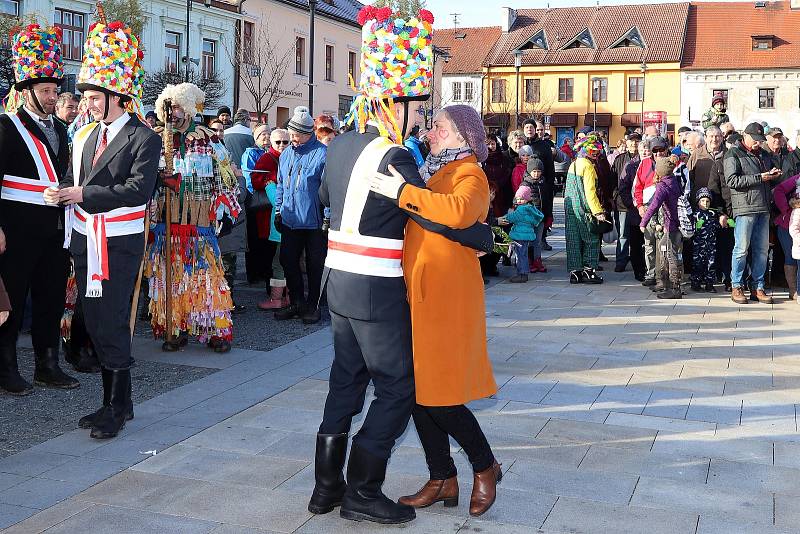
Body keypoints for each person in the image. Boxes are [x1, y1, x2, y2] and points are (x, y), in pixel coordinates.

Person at [368, 104, 501, 518]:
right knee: (417, 391)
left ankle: (485, 465)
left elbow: (459, 212)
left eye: (440, 128)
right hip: (420, 291)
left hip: (447, 296)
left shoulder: (470, 173)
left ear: (462, 135)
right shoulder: (433, 169)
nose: (431, 133)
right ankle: (441, 477)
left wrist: (404, 194)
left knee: (438, 394)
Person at [56, 20, 160, 438]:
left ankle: (114, 407)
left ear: (117, 96)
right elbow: (72, 177)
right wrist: (61, 191)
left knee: (112, 320)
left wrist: (83, 194)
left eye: (96, 98)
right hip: (84, 239)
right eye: (87, 98)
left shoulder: (143, 138)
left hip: (118, 242)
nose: (90, 105)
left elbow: (138, 190)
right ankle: (120, 401)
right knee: (94, 319)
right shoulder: (83, 135)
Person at [0, 24, 78, 395]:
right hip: (15, 230)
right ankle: (6, 367)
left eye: (55, 90)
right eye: (45, 91)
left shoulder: (62, 131)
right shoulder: (6, 126)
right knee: (12, 301)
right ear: (25, 91)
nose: (52, 97)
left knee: (50, 297)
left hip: (54, 229)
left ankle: (48, 364)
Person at [147, 83, 239, 352]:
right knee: (169, 279)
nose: (173, 114)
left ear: (188, 109)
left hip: (200, 223)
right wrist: (157, 181)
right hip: (165, 222)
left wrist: (226, 211)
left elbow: (225, 177)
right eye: (169, 108)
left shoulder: (208, 139)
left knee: (207, 278)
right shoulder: (155, 139)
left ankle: (215, 329)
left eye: (177, 107)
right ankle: (175, 327)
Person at [273, 106, 327, 325]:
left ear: (308, 133)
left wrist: (328, 217)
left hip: (314, 220)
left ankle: (313, 305)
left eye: (295, 135)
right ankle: (297, 302)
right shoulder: (286, 154)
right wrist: (278, 210)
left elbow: (327, 188)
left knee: (315, 264)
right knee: (288, 260)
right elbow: (281, 185)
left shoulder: (322, 154)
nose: (291, 139)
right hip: (290, 218)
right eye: (291, 134)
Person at [724, 122, 780, 304]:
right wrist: (760, 177)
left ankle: (758, 286)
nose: (758, 143)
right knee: (741, 249)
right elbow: (732, 180)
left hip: (763, 207)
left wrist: (772, 175)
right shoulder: (733, 153)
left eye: (760, 140)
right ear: (745, 136)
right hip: (745, 208)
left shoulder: (763, 154)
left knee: (762, 250)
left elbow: (766, 178)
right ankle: (737, 285)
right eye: (755, 140)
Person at [254, 128, 290, 310]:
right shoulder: (267, 158)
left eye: (286, 142)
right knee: (278, 260)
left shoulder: (292, 156)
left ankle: (280, 298)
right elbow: (255, 179)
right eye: (279, 142)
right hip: (271, 217)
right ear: (272, 143)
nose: (282, 145)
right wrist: (270, 183)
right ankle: (279, 296)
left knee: (282, 261)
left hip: (284, 220)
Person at [564, 135, 606, 284]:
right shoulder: (588, 166)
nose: (595, 152)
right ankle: (589, 272)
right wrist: (598, 211)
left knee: (573, 240)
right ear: (585, 150)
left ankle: (575, 273)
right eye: (592, 149)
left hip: (571, 209)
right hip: (584, 209)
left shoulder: (573, 164)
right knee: (591, 239)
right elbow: (590, 192)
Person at [640, 156, 683, 299]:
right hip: (676, 224)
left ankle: (675, 288)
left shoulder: (663, 186)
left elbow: (653, 206)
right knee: (664, 248)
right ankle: (664, 282)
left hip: (670, 225)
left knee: (671, 255)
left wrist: (643, 222)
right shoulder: (673, 180)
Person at [634, 136, 670, 287]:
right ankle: (651, 273)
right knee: (649, 242)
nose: (658, 153)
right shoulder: (644, 163)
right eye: (655, 150)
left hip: (667, 208)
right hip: (648, 208)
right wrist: (640, 206)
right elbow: (637, 187)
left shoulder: (675, 163)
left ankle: (664, 274)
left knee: (665, 243)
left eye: (661, 150)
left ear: (666, 149)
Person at [241, 123, 272, 287]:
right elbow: (249, 177)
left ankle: (264, 270)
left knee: (266, 238)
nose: (266, 137)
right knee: (254, 237)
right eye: (262, 135)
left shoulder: (273, 152)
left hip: (269, 202)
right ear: (256, 138)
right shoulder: (250, 154)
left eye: (268, 134)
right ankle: (254, 273)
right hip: (256, 201)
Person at [501, 185, 543, 283]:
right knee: (523, 254)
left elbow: (513, 217)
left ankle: (522, 274)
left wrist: (505, 216)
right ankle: (523, 273)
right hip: (526, 235)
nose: (519, 201)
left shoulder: (521, 209)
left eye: (522, 199)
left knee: (520, 255)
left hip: (520, 235)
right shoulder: (530, 208)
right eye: (518, 199)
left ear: (527, 199)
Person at [611, 133, 641, 272]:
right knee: (623, 234)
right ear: (626, 143)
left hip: (640, 205)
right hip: (622, 204)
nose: (634, 144)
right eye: (631, 141)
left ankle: (639, 261)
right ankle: (621, 261)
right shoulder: (620, 159)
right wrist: (615, 197)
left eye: (637, 141)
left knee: (638, 234)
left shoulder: (644, 159)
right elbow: (613, 180)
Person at [617, 142, 645, 280]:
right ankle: (638, 271)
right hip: (634, 211)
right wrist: (632, 204)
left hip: (651, 211)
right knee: (635, 243)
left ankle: (650, 270)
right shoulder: (631, 165)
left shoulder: (655, 164)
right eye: (642, 149)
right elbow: (623, 187)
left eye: (647, 149)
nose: (645, 152)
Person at [691, 188, 723, 292]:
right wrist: (697, 226)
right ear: (698, 202)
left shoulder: (712, 214)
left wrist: (726, 223)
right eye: (702, 201)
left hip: (711, 245)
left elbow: (717, 225)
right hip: (698, 245)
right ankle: (696, 283)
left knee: (711, 264)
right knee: (698, 264)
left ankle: (709, 284)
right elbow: (691, 229)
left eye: (707, 201)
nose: (705, 203)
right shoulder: (695, 214)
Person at [773, 175, 800, 302]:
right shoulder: (798, 179)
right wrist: (785, 209)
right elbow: (779, 190)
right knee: (792, 257)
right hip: (789, 225)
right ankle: (793, 290)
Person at [521, 157, 548, 272]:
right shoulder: (525, 184)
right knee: (530, 240)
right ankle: (529, 260)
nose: (536, 174)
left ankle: (537, 259)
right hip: (530, 217)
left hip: (540, 217)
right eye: (534, 171)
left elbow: (547, 200)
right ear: (529, 171)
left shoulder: (543, 183)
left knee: (537, 240)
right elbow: (518, 200)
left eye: (538, 171)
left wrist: (547, 215)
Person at [482, 133, 514, 216]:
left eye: (493, 144)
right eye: (488, 144)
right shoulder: (482, 159)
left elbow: (507, 172)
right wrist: (490, 186)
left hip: (502, 191)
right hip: (486, 191)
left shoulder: (503, 157)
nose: (490, 146)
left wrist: (497, 184)